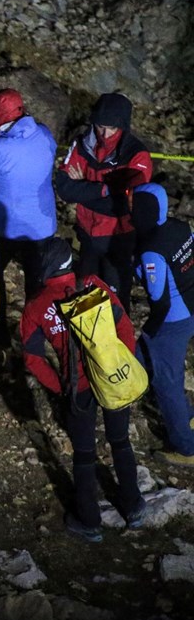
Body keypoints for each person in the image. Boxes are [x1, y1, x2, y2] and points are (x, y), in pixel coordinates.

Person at [20, 236, 145, 542]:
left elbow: (33, 359)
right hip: (111, 376)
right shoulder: (93, 285)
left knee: (84, 455)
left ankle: (89, 521)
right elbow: (125, 327)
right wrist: (118, 366)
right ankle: (133, 506)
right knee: (120, 441)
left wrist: (60, 385)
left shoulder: (36, 306)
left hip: (77, 387)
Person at [0, 88, 57, 343]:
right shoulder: (44, 133)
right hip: (42, 226)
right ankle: (36, 337)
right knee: (37, 285)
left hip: (7, 226)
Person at [55, 92, 153, 314]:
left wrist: (84, 187)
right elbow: (64, 188)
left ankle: (121, 343)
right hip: (88, 235)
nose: (104, 134)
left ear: (123, 127)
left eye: (112, 128)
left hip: (118, 239)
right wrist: (106, 189)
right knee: (84, 298)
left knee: (117, 301)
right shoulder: (82, 143)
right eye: (100, 126)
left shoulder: (137, 155)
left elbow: (125, 205)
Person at [131, 183, 194, 465]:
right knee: (141, 355)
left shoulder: (150, 250)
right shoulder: (181, 227)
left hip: (173, 320)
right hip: (193, 306)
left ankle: (186, 447)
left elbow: (160, 301)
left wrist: (150, 330)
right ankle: (188, 419)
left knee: (168, 385)